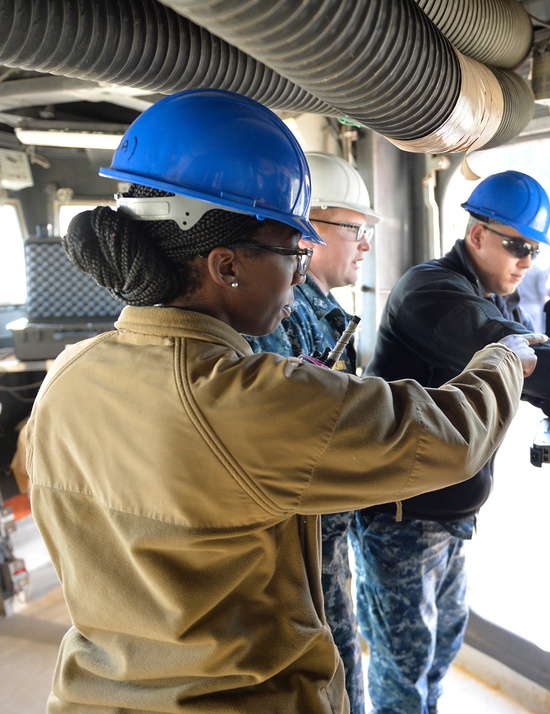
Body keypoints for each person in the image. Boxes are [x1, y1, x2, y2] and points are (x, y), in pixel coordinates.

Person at [23, 88, 545, 714]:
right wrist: (506, 358)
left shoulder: (68, 373)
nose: (302, 273)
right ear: (226, 265)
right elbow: (451, 438)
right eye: (292, 251)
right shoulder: (246, 397)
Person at [356, 169, 550, 714]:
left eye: (534, 249)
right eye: (517, 245)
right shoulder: (434, 292)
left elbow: (529, 380)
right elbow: (509, 351)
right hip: (400, 516)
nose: (527, 260)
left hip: (446, 514)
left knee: (440, 645)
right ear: (476, 236)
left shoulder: (495, 295)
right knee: (402, 665)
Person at [245, 151, 380, 714]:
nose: (365, 246)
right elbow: (284, 435)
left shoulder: (316, 309)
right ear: (309, 228)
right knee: (327, 670)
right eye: (356, 229)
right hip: (299, 547)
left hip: (325, 532)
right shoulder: (280, 312)